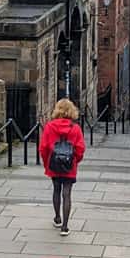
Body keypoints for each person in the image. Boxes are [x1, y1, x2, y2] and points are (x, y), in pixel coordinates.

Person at [39, 98, 86, 236]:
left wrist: (46, 162)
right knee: (67, 193)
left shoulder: (49, 126)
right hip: (69, 165)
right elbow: (80, 148)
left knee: (56, 190)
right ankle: (65, 227)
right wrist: (75, 160)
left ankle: (57, 218)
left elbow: (43, 147)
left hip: (53, 164)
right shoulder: (75, 128)